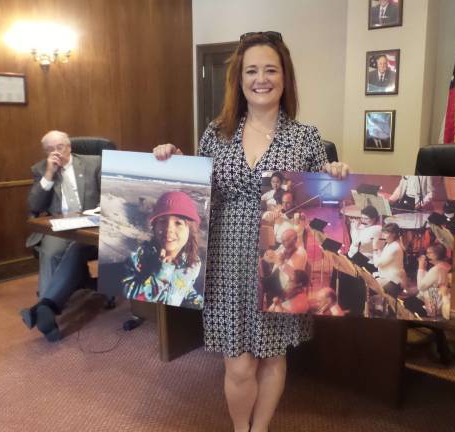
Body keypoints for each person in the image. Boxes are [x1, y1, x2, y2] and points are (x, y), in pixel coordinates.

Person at [153, 31, 349, 432]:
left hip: (278, 260)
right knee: (238, 363)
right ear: (239, 80)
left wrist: (335, 174)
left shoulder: (306, 137)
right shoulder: (216, 133)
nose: (261, 79)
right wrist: (169, 161)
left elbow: (321, 205)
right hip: (225, 261)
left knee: (272, 356)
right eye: (252, 71)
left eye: (270, 70)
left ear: (284, 77)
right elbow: (195, 191)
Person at [22, 130, 100, 342]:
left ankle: (43, 308)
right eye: (50, 150)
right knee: (49, 251)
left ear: (70, 146)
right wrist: (49, 174)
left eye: (60, 147)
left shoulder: (94, 163)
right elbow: (34, 206)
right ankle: (47, 312)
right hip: (62, 227)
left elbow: (111, 194)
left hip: (92, 229)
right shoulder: (40, 169)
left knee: (77, 248)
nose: (56, 153)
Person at [121, 191, 204, 308]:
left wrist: (197, 301)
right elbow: (128, 294)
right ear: (154, 227)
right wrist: (162, 275)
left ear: (191, 231)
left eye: (178, 223)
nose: (168, 229)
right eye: (163, 221)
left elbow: (184, 287)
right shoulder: (139, 257)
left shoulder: (193, 263)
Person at [416, 243, 451, 319]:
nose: (426, 255)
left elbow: (421, 287)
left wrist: (421, 267)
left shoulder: (437, 269)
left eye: (429, 253)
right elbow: (429, 280)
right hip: (442, 303)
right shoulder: (446, 265)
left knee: (409, 303)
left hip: (436, 306)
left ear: (436, 255)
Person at [372, 223, 406, 299]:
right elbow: (382, 259)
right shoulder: (389, 244)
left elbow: (377, 264)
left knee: (368, 289)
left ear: (393, 234)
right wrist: (379, 250)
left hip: (393, 281)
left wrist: (374, 248)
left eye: (386, 233)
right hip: (387, 277)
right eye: (383, 232)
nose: (383, 235)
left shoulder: (394, 247)